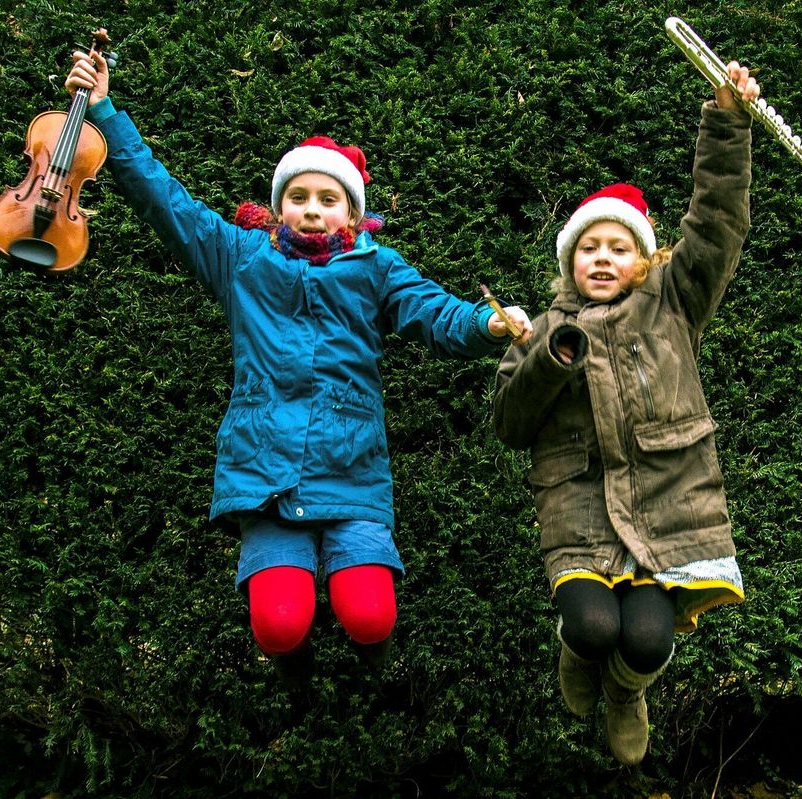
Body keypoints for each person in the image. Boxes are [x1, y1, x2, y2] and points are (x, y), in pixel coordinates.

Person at [64, 50, 533, 686]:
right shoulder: (241, 259)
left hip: (352, 470)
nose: (313, 208)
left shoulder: (377, 267)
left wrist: (488, 325)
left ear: (353, 211)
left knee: (370, 616)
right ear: (280, 205)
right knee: (279, 624)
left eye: (329, 198)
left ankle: (373, 667)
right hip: (265, 473)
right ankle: (295, 676)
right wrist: (102, 112)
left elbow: (435, 313)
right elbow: (164, 198)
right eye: (300, 196)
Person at [492, 62, 759, 765]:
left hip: (669, 505)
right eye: (589, 247)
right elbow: (510, 426)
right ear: (570, 261)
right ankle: (580, 653)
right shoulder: (543, 327)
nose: (603, 257)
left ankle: (625, 690)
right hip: (579, 510)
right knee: (587, 622)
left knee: (644, 639)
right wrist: (550, 357)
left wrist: (727, 122)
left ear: (644, 258)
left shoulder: (674, 303)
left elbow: (717, 222)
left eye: (619, 247)